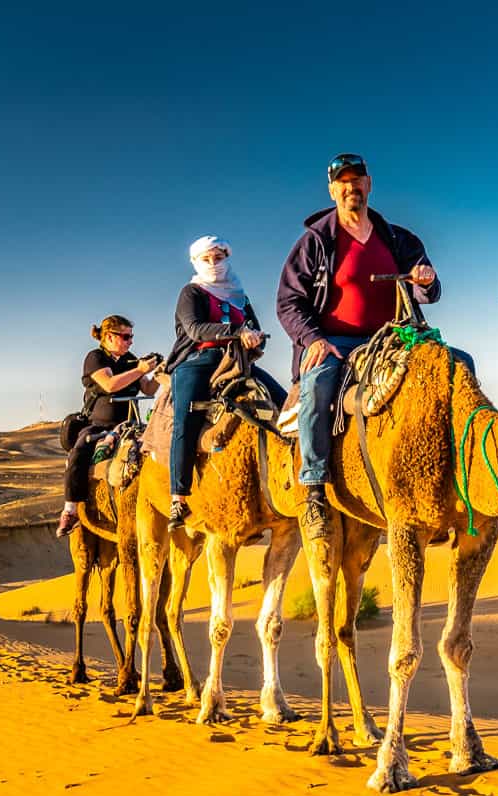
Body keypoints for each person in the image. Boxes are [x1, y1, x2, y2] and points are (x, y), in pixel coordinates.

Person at [276, 153, 458, 541]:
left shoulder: (399, 239)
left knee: (457, 365)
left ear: (369, 185)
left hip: (392, 337)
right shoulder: (315, 242)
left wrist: (424, 280)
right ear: (332, 190)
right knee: (316, 386)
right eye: (342, 182)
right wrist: (313, 339)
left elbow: (432, 291)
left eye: (356, 180)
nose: (350, 187)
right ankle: (313, 490)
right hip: (334, 341)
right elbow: (288, 302)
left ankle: (452, 479)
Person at [166, 235, 287, 530]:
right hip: (196, 362)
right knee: (185, 422)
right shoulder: (191, 292)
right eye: (206, 259)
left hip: (237, 362)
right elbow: (195, 329)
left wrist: (255, 339)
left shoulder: (240, 297)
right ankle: (178, 498)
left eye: (218, 258)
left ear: (227, 258)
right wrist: (237, 330)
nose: (213, 264)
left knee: (285, 405)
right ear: (196, 262)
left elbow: (255, 331)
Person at [55, 315, 161, 539]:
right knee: (79, 451)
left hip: (130, 423)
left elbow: (149, 389)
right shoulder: (95, 358)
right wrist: (140, 370)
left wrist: (160, 371)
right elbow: (110, 385)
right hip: (99, 425)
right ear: (109, 337)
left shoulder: (131, 359)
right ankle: (70, 509)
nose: (130, 341)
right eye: (126, 336)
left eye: (131, 336)